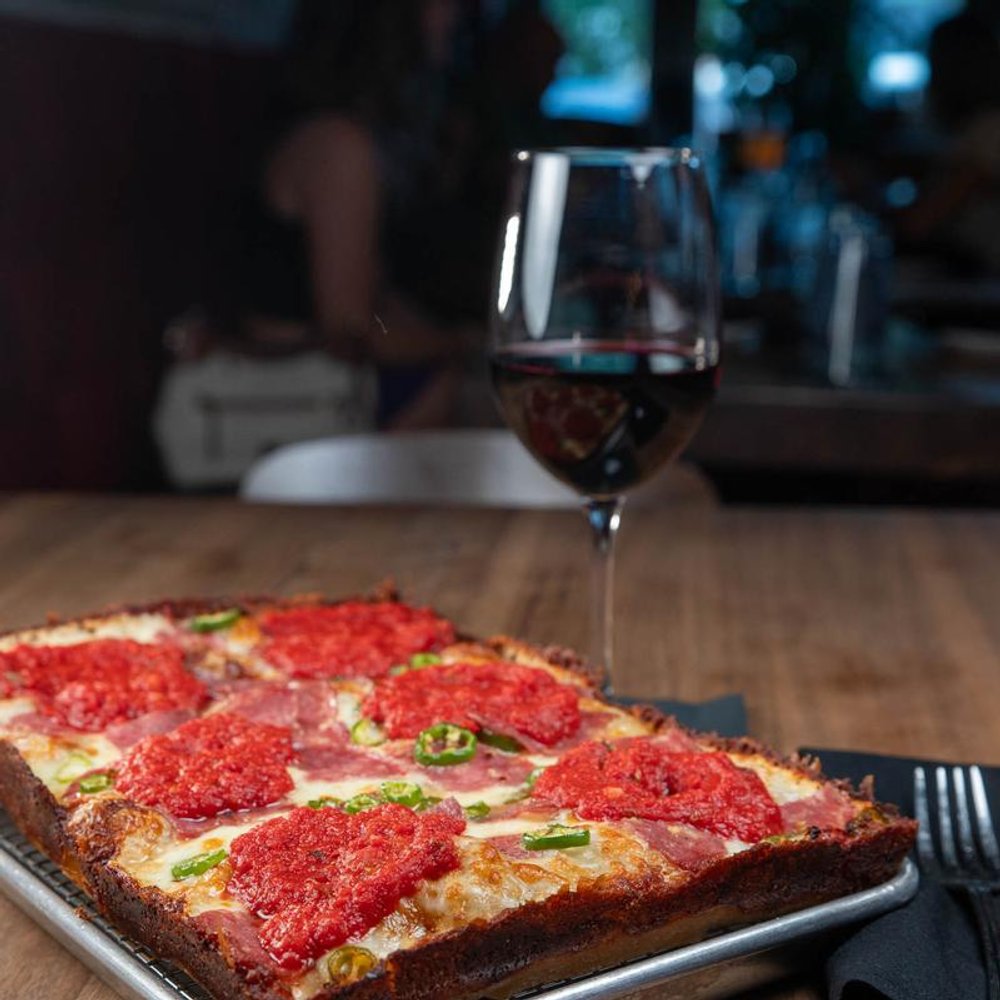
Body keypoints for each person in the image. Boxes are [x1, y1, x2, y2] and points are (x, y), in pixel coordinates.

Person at [227, 0, 471, 429]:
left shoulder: (361, 138)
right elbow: (352, 330)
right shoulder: (338, 146)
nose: (454, 12)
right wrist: (464, 345)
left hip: (333, 382)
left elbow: (377, 301)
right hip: (288, 395)